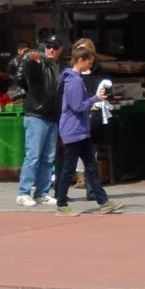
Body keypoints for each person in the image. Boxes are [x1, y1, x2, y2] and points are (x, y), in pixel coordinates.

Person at [53, 38, 121, 215]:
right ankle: (61, 204)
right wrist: (95, 99)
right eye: (89, 62)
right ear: (81, 60)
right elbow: (78, 106)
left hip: (80, 130)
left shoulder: (72, 78)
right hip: (74, 130)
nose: (90, 66)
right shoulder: (74, 81)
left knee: (91, 167)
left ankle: (103, 201)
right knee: (69, 168)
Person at [14, 37, 64, 208]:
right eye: (48, 46)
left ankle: (42, 192)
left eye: (54, 47)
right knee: (33, 156)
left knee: (48, 158)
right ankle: (23, 193)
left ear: (60, 50)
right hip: (36, 114)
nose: (51, 50)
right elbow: (27, 76)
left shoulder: (58, 67)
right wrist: (32, 62)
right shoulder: (39, 62)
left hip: (51, 116)